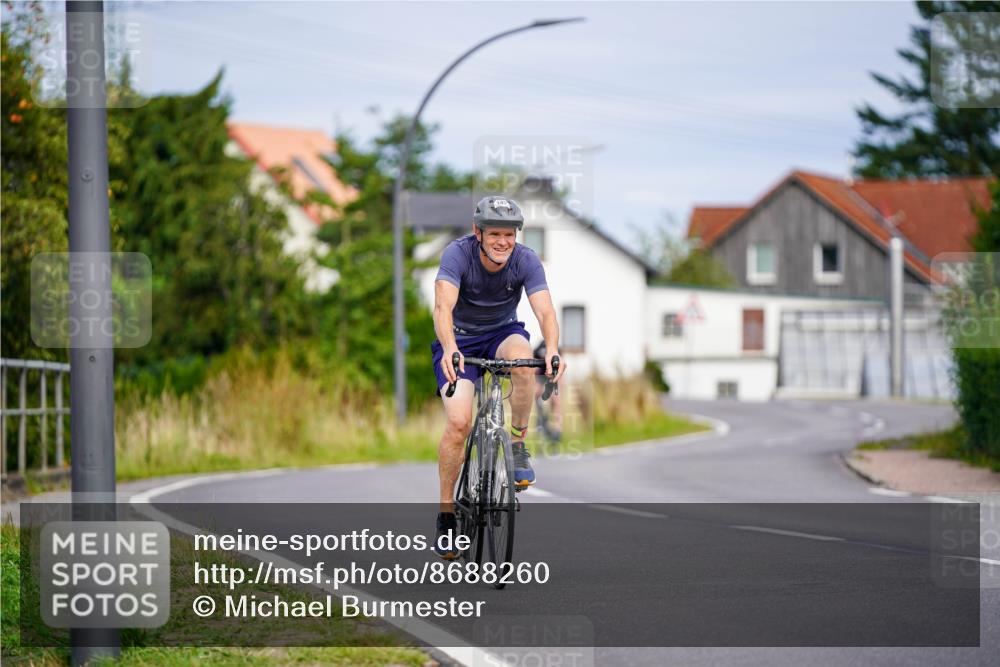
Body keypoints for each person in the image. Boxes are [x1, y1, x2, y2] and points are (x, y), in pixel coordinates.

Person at [430, 195, 565, 559]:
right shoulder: (457, 255)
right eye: (494, 234)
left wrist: (552, 348)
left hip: (502, 334)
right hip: (458, 340)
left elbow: (545, 311)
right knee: (459, 423)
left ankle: (518, 447)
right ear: (478, 233)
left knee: (524, 362)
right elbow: (442, 308)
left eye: (509, 234)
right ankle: (446, 516)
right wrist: (450, 347)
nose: (503, 241)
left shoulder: (526, 260)